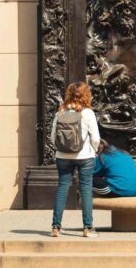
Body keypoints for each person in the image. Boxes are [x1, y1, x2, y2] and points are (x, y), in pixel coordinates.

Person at [50, 82, 101, 238]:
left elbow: (53, 138)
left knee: (62, 188)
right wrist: (94, 150)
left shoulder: (60, 112)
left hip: (63, 156)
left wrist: (62, 149)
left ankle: (55, 227)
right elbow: (96, 138)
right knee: (86, 189)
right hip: (84, 156)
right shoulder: (88, 113)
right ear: (86, 95)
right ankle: (88, 227)